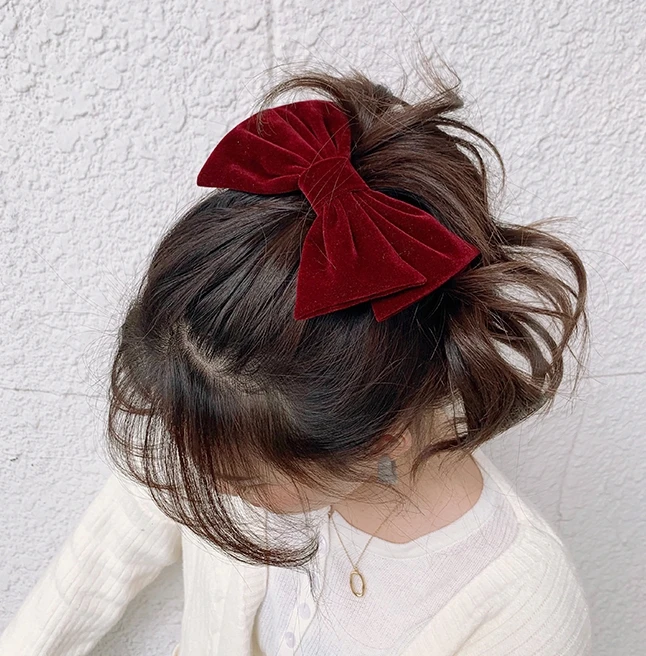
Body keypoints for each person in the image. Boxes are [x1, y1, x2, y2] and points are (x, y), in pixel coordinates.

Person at [0, 58, 592, 655]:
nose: (200, 478)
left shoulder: (519, 606)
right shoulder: (229, 402)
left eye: (238, 480)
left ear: (382, 443)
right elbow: (115, 537)